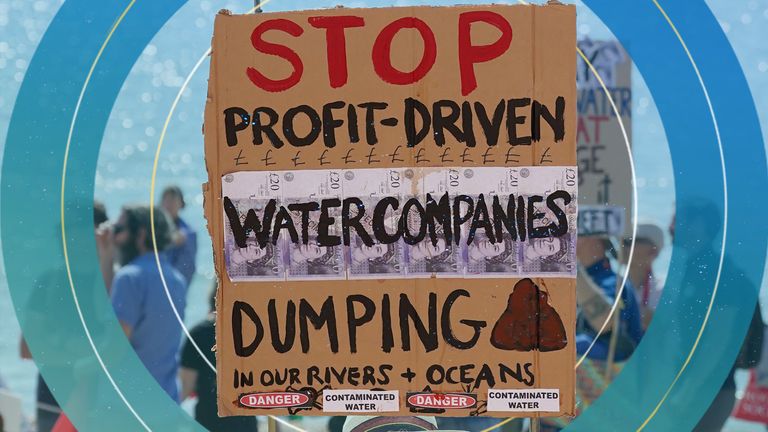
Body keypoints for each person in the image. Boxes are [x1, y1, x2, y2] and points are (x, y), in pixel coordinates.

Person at [110, 205, 187, 401]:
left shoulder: (129, 278)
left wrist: (78, 367)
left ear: (141, 234)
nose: (114, 238)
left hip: (129, 404)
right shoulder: (177, 279)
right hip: (166, 400)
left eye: (119, 230)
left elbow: (114, 348)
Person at [180, 287, 257, 431]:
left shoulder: (198, 334)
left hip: (208, 421)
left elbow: (185, 386)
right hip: (245, 424)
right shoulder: (252, 332)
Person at [620, 222, 665, 329]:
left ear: (653, 251)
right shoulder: (615, 285)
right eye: (623, 241)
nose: (624, 246)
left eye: (630, 242)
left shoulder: (665, 289)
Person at [161, 186, 197, 285]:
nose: (170, 204)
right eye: (167, 200)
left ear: (181, 203)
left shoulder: (188, 233)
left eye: (173, 200)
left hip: (177, 283)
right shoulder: (153, 229)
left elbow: (188, 266)